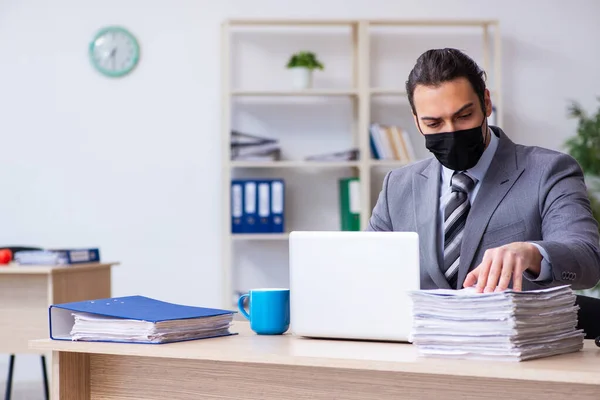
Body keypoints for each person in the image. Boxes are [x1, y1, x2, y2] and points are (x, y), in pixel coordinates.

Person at [368, 48, 600, 293]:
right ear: (416, 121)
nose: (451, 131)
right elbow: (364, 262)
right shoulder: (398, 184)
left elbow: (587, 259)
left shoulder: (549, 171)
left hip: (512, 329)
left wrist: (533, 254)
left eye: (464, 116)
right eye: (433, 123)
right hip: (421, 330)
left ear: (486, 104)